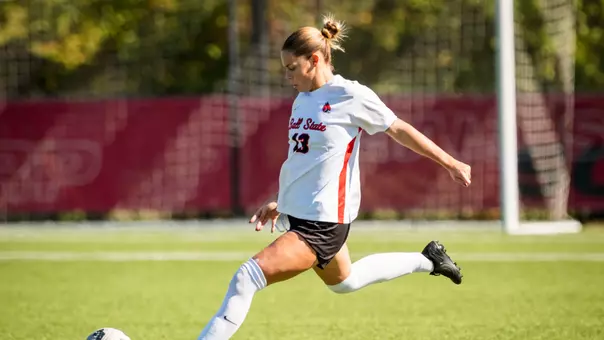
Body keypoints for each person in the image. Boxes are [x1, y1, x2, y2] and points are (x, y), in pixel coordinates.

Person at [198, 14, 472, 340]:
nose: (287, 77)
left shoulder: (350, 96)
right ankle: (428, 260)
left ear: (314, 60)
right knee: (347, 282)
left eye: (291, 68)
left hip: (323, 222)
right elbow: (305, 162)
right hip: (302, 215)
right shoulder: (301, 101)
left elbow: (399, 129)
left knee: (246, 278)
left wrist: (450, 162)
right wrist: (282, 202)